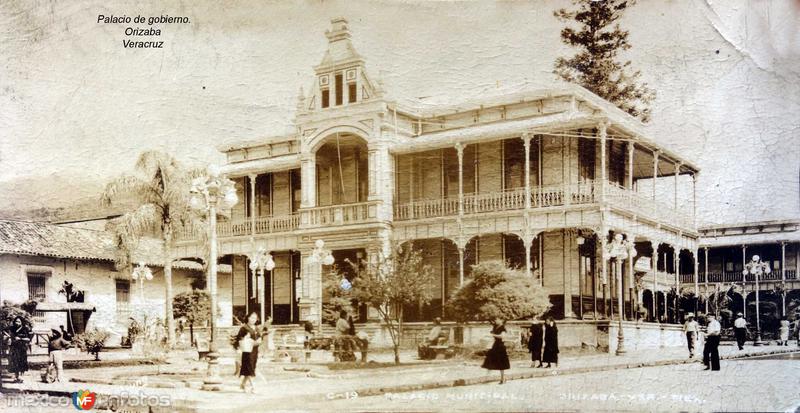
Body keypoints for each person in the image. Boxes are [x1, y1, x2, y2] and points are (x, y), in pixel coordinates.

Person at [236, 312, 263, 393]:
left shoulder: (256, 328)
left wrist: (259, 341)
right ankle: (253, 387)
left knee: (250, 368)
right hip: (247, 351)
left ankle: (243, 384)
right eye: (251, 317)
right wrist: (245, 338)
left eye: (255, 318)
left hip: (255, 350)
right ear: (248, 318)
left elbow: (260, 338)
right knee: (250, 367)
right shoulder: (244, 328)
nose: (253, 320)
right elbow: (239, 339)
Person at [481, 318, 510, 384]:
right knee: (489, 360)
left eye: (497, 319)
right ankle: (487, 378)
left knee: (501, 363)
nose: (496, 321)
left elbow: (502, 336)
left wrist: (493, 335)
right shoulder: (495, 327)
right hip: (495, 345)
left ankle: (503, 378)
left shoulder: (503, 328)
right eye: (495, 319)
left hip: (500, 346)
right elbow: (492, 335)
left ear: (501, 320)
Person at [8, 316, 32, 383]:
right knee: (14, 362)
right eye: (16, 321)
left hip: (22, 348)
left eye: (19, 321)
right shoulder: (12, 328)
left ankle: (20, 377)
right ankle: (16, 377)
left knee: (21, 361)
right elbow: (5, 330)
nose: (17, 323)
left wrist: (20, 338)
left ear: (21, 322)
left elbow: (28, 339)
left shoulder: (25, 329)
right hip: (14, 348)